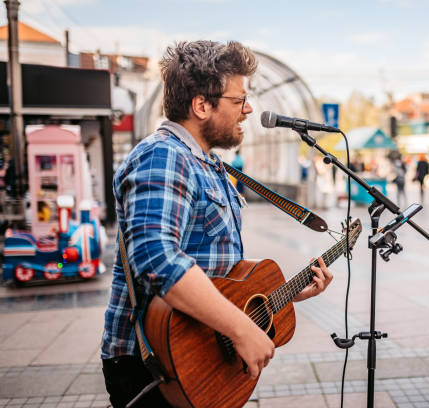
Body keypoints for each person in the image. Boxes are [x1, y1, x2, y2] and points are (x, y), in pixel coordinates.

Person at [101, 40, 333, 408]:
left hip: (201, 352)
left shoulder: (209, 166)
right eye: (239, 100)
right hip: (156, 368)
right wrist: (240, 329)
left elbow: (219, 273)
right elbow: (157, 257)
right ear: (201, 105)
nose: (248, 109)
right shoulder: (163, 156)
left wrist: (283, 297)